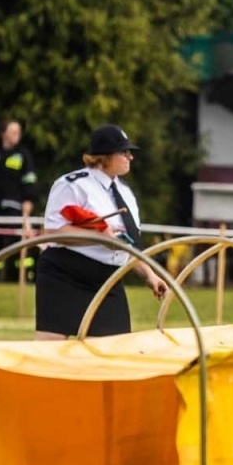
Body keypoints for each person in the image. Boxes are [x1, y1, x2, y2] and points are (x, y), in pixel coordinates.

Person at [35, 124, 167, 339]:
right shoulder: (72, 184)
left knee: (113, 350)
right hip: (66, 273)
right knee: (50, 346)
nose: (130, 157)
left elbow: (128, 242)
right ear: (104, 156)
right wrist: (99, 237)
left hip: (107, 279)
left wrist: (149, 275)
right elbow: (53, 231)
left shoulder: (127, 194)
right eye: (124, 152)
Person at [0, 120, 39, 282]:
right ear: (3, 134)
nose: (16, 136)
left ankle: (17, 277)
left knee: (15, 243)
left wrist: (29, 201)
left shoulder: (23, 155)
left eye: (18, 132)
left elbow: (30, 180)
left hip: (15, 207)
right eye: (13, 132)